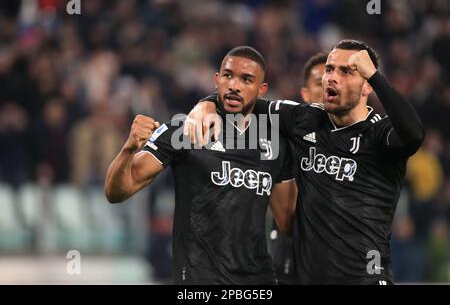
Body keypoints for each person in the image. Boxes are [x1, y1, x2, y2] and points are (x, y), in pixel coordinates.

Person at [187, 39, 425, 284]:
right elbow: (243, 100)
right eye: (330, 69)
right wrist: (207, 103)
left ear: (366, 86)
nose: (331, 77)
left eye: (346, 72)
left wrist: (375, 76)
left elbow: (414, 133)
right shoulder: (306, 120)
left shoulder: (381, 134)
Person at [104, 46, 297, 284]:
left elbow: (288, 221)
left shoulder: (275, 143)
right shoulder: (183, 131)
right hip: (199, 279)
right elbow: (116, 192)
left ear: (262, 90)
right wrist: (129, 148)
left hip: (258, 280)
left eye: (246, 79)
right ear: (216, 80)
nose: (234, 85)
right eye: (228, 76)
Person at [269, 51, 328, 285]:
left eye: (334, 79)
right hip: (292, 250)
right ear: (304, 94)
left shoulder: (361, 139)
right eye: (320, 82)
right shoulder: (287, 137)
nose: (328, 86)